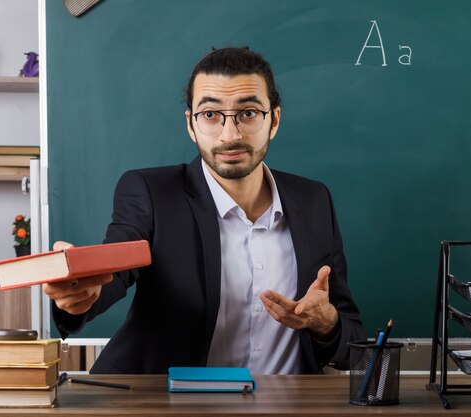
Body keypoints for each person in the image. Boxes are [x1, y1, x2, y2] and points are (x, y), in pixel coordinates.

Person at [44, 47, 365, 374]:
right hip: (169, 403)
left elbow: (354, 342)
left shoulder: (314, 201)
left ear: (274, 120)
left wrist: (326, 323)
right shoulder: (152, 194)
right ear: (191, 124)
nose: (230, 135)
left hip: (285, 403)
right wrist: (83, 291)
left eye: (249, 113)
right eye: (211, 114)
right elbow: (115, 266)